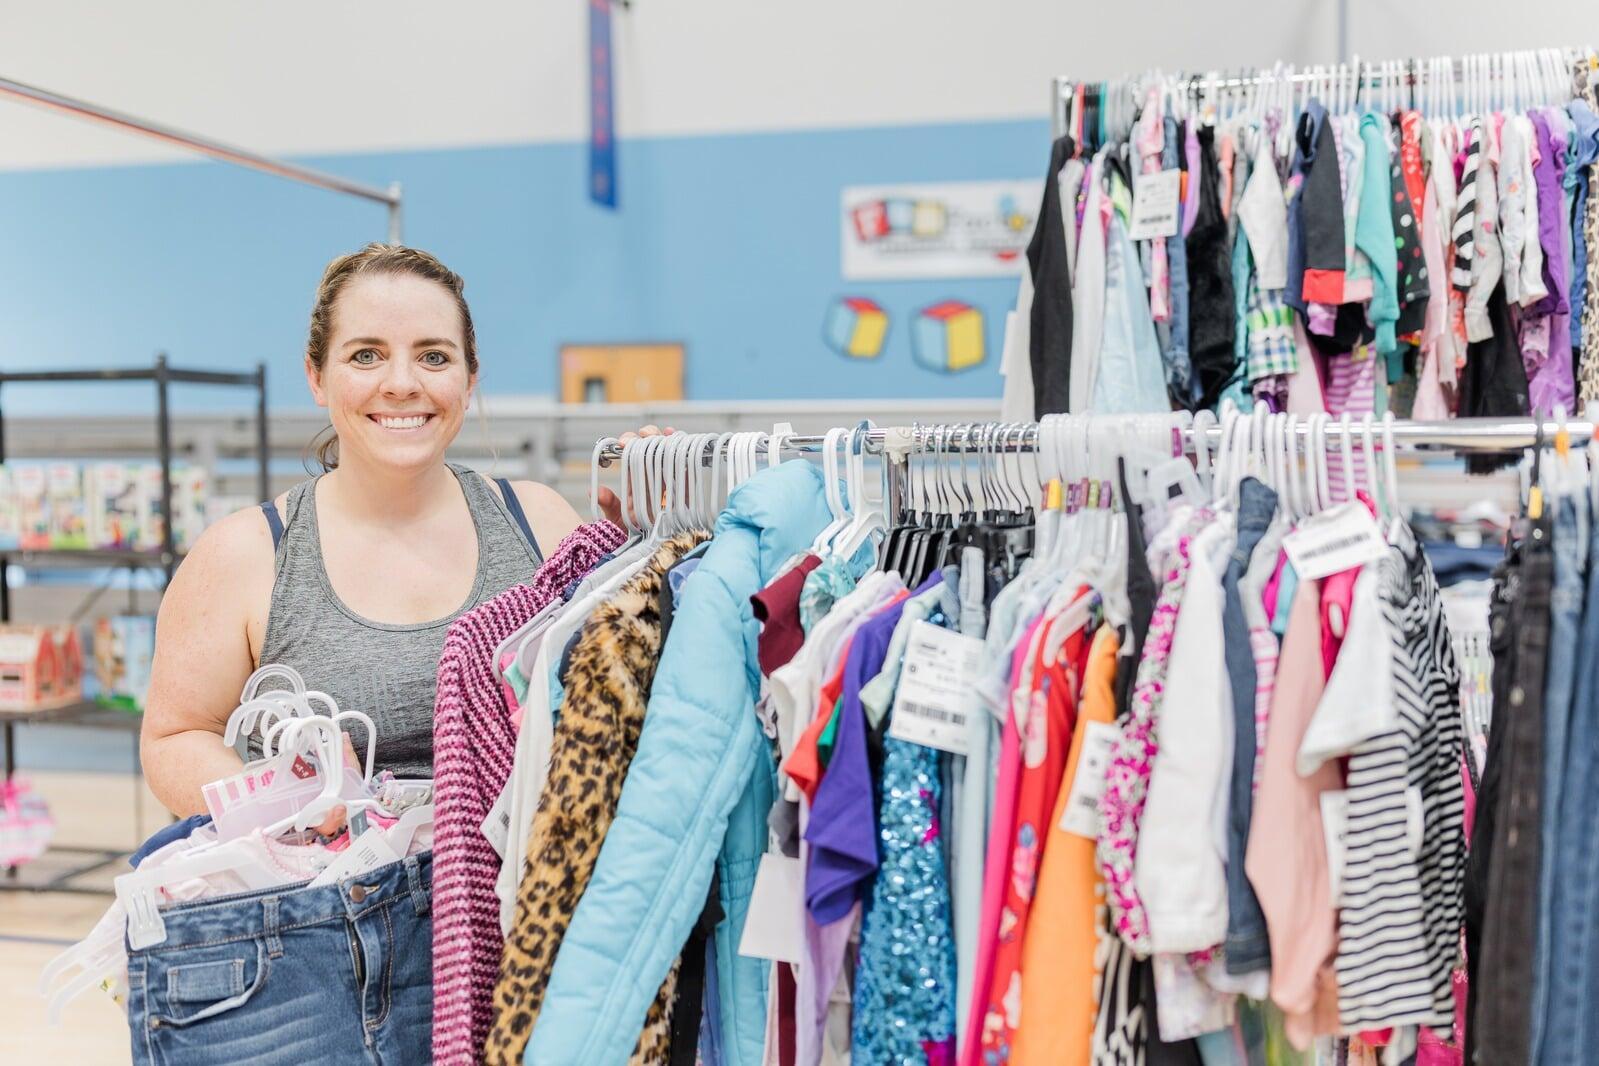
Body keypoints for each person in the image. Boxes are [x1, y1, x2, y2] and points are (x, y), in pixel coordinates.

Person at [141, 243, 646, 825]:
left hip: (514, 900)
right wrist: (287, 812)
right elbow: (174, 739)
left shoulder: (540, 523)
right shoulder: (245, 554)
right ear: (317, 376)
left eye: (433, 357)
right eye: (366, 356)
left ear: (469, 378)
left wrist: (639, 537)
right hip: (326, 900)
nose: (402, 383)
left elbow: (619, 700)